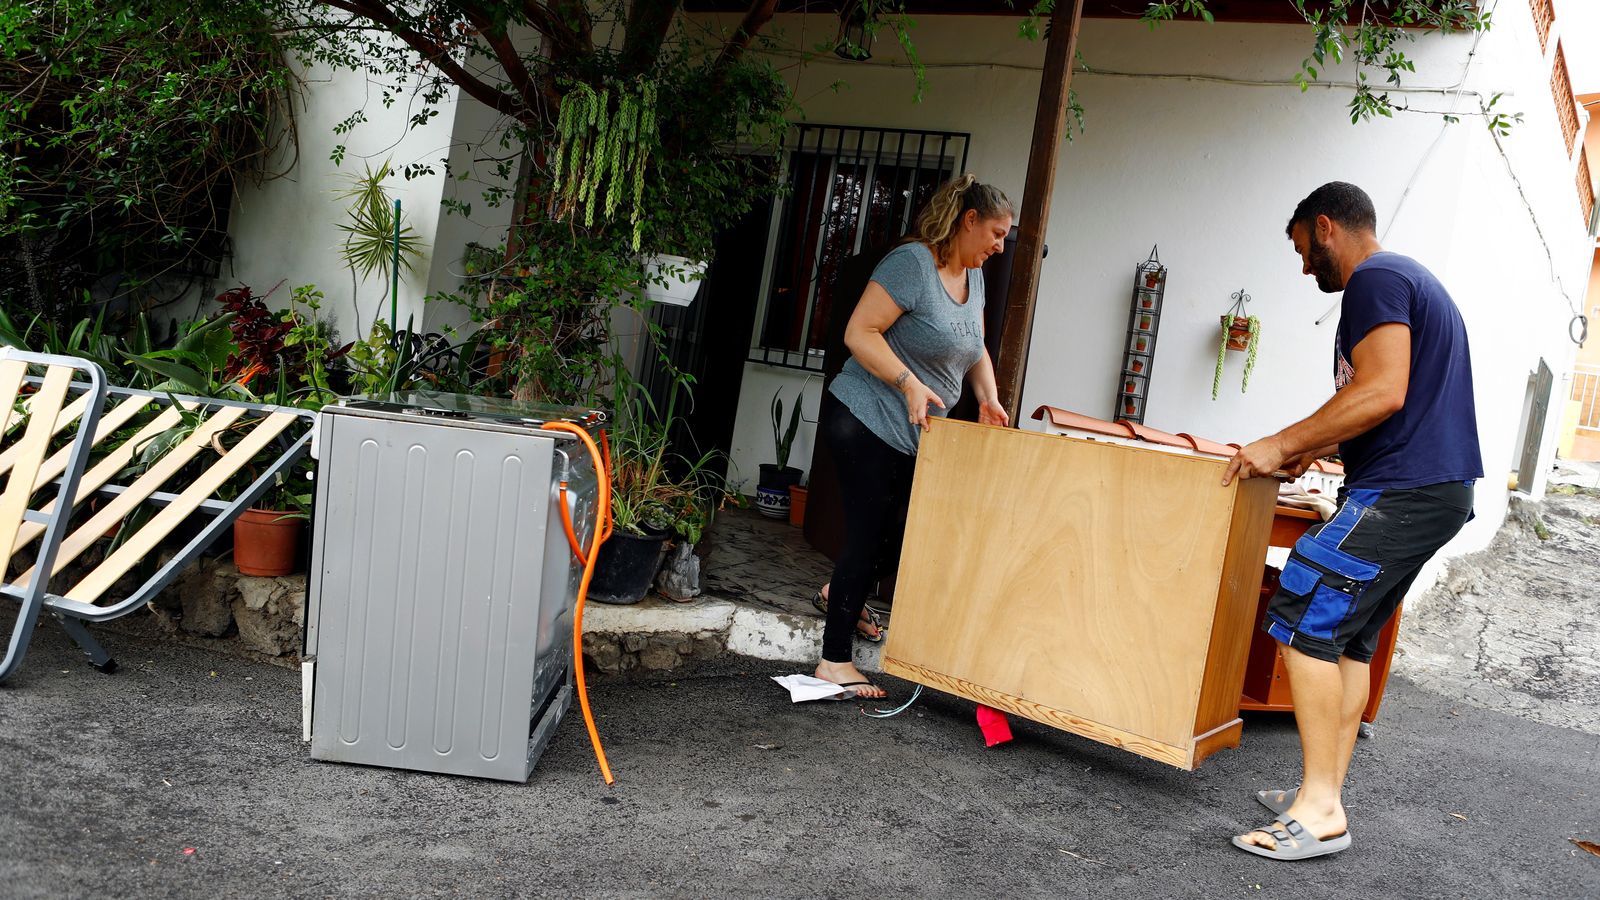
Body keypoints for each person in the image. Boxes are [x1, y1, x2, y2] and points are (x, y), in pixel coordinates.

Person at [1222, 181, 1481, 860]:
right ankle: (1324, 790)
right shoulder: (1407, 281)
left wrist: (1279, 442)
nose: (1304, 268)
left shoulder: (1376, 280)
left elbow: (1382, 391)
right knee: (1348, 641)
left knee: (1301, 607)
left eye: (1303, 250)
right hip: (1430, 489)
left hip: (1403, 490)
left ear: (1326, 226)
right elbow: (1395, 401)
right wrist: (1313, 447)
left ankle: (1320, 812)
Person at [811, 174, 1015, 699]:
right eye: (996, 233)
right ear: (969, 220)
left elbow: (975, 346)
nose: (1000, 246)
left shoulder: (974, 277)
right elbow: (859, 332)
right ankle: (834, 661)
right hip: (864, 415)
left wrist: (988, 397)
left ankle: (841, 593)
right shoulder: (912, 265)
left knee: (914, 533)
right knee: (868, 531)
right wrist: (907, 382)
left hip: (914, 432)